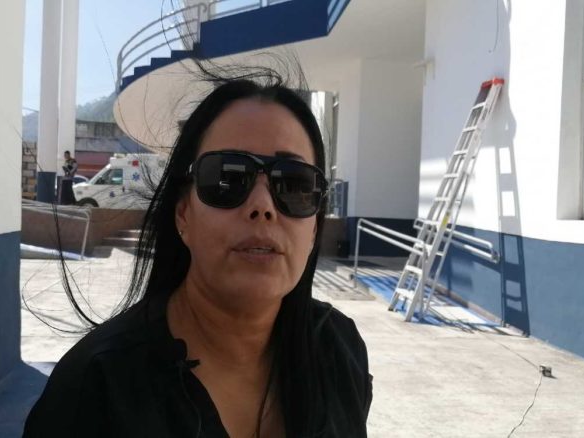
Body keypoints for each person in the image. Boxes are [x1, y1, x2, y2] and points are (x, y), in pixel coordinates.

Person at [24, 77, 372, 437]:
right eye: (227, 178)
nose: (262, 206)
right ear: (183, 214)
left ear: (314, 227)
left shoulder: (339, 352)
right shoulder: (96, 391)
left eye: (295, 183)